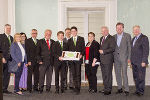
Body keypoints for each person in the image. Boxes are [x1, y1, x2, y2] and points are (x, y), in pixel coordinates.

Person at [113, 22, 131, 96]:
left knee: (124, 74)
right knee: (117, 74)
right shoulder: (113, 37)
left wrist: (129, 58)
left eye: (120, 28)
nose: (119, 29)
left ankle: (126, 89)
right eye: (117, 28)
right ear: (116, 29)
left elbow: (129, 48)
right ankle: (119, 88)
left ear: (123, 28)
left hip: (124, 58)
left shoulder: (127, 36)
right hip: (116, 59)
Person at [131, 25, 149, 96]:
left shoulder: (144, 38)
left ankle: (141, 91)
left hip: (141, 62)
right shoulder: (133, 39)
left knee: (141, 77)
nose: (135, 31)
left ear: (139, 30)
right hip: (134, 62)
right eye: (134, 30)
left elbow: (146, 50)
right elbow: (132, 51)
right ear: (133, 31)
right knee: (135, 77)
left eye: (137, 29)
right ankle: (137, 90)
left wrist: (144, 61)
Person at [68, 26, 85, 95]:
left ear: (77, 31)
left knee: (78, 74)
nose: (73, 32)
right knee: (73, 74)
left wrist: (81, 55)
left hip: (78, 60)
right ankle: (75, 87)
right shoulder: (69, 40)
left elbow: (83, 49)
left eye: (74, 31)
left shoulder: (81, 39)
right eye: (72, 31)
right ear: (71, 32)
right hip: (72, 60)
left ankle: (78, 88)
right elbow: (67, 50)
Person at [36, 29, 55, 94]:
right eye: (47, 33)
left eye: (49, 34)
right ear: (44, 34)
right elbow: (37, 52)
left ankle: (48, 88)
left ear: (51, 34)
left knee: (49, 76)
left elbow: (54, 52)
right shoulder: (40, 41)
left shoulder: (53, 42)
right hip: (43, 62)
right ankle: (40, 88)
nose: (48, 35)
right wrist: (39, 60)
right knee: (41, 76)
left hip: (51, 62)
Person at [99, 26, 116, 95]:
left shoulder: (111, 38)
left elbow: (112, 48)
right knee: (104, 75)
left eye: (105, 31)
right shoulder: (101, 38)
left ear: (107, 31)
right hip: (102, 60)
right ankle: (105, 88)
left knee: (108, 75)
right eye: (102, 31)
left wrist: (104, 51)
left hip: (108, 60)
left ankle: (108, 90)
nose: (103, 32)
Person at [0, 24, 13, 94]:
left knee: (7, 75)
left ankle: (5, 89)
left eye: (10, 28)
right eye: (7, 28)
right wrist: (2, 57)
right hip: (2, 59)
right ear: (4, 29)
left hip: (9, 60)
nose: (9, 30)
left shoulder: (11, 38)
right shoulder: (1, 36)